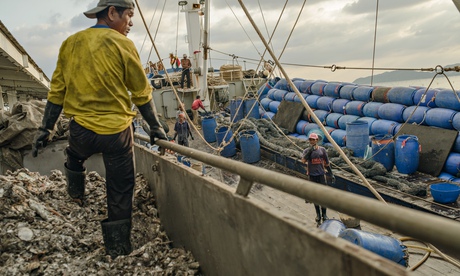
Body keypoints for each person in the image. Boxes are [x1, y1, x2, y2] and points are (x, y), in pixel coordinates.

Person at [31, 0, 167, 259]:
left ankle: (75, 191)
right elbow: (141, 92)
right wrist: (156, 127)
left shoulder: (70, 43)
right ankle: (117, 249)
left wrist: (45, 129)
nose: (131, 22)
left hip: (81, 132)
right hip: (116, 135)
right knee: (119, 189)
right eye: (129, 15)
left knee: (74, 154)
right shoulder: (123, 44)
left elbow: (57, 92)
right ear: (112, 13)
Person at [301, 133, 332, 226]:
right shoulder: (306, 150)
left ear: (317, 140)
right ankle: (318, 214)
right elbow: (303, 161)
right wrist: (310, 151)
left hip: (321, 175)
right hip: (312, 176)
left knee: (323, 195)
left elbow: (327, 163)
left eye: (314, 140)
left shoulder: (322, 150)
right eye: (310, 140)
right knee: (315, 196)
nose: (312, 141)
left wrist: (331, 173)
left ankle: (324, 214)